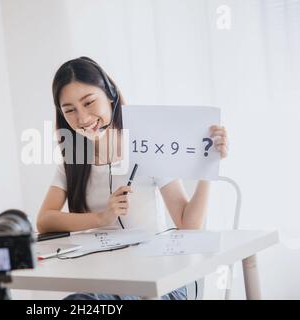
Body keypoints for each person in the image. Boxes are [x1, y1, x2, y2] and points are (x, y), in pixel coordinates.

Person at [37, 57, 228, 300]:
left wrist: (207, 166)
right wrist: (100, 218)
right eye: (70, 111)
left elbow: (188, 224)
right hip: (105, 281)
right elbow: (44, 220)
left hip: (159, 282)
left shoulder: (146, 145)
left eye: (89, 103)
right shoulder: (73, 159)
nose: (83, 118)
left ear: (110, 95)